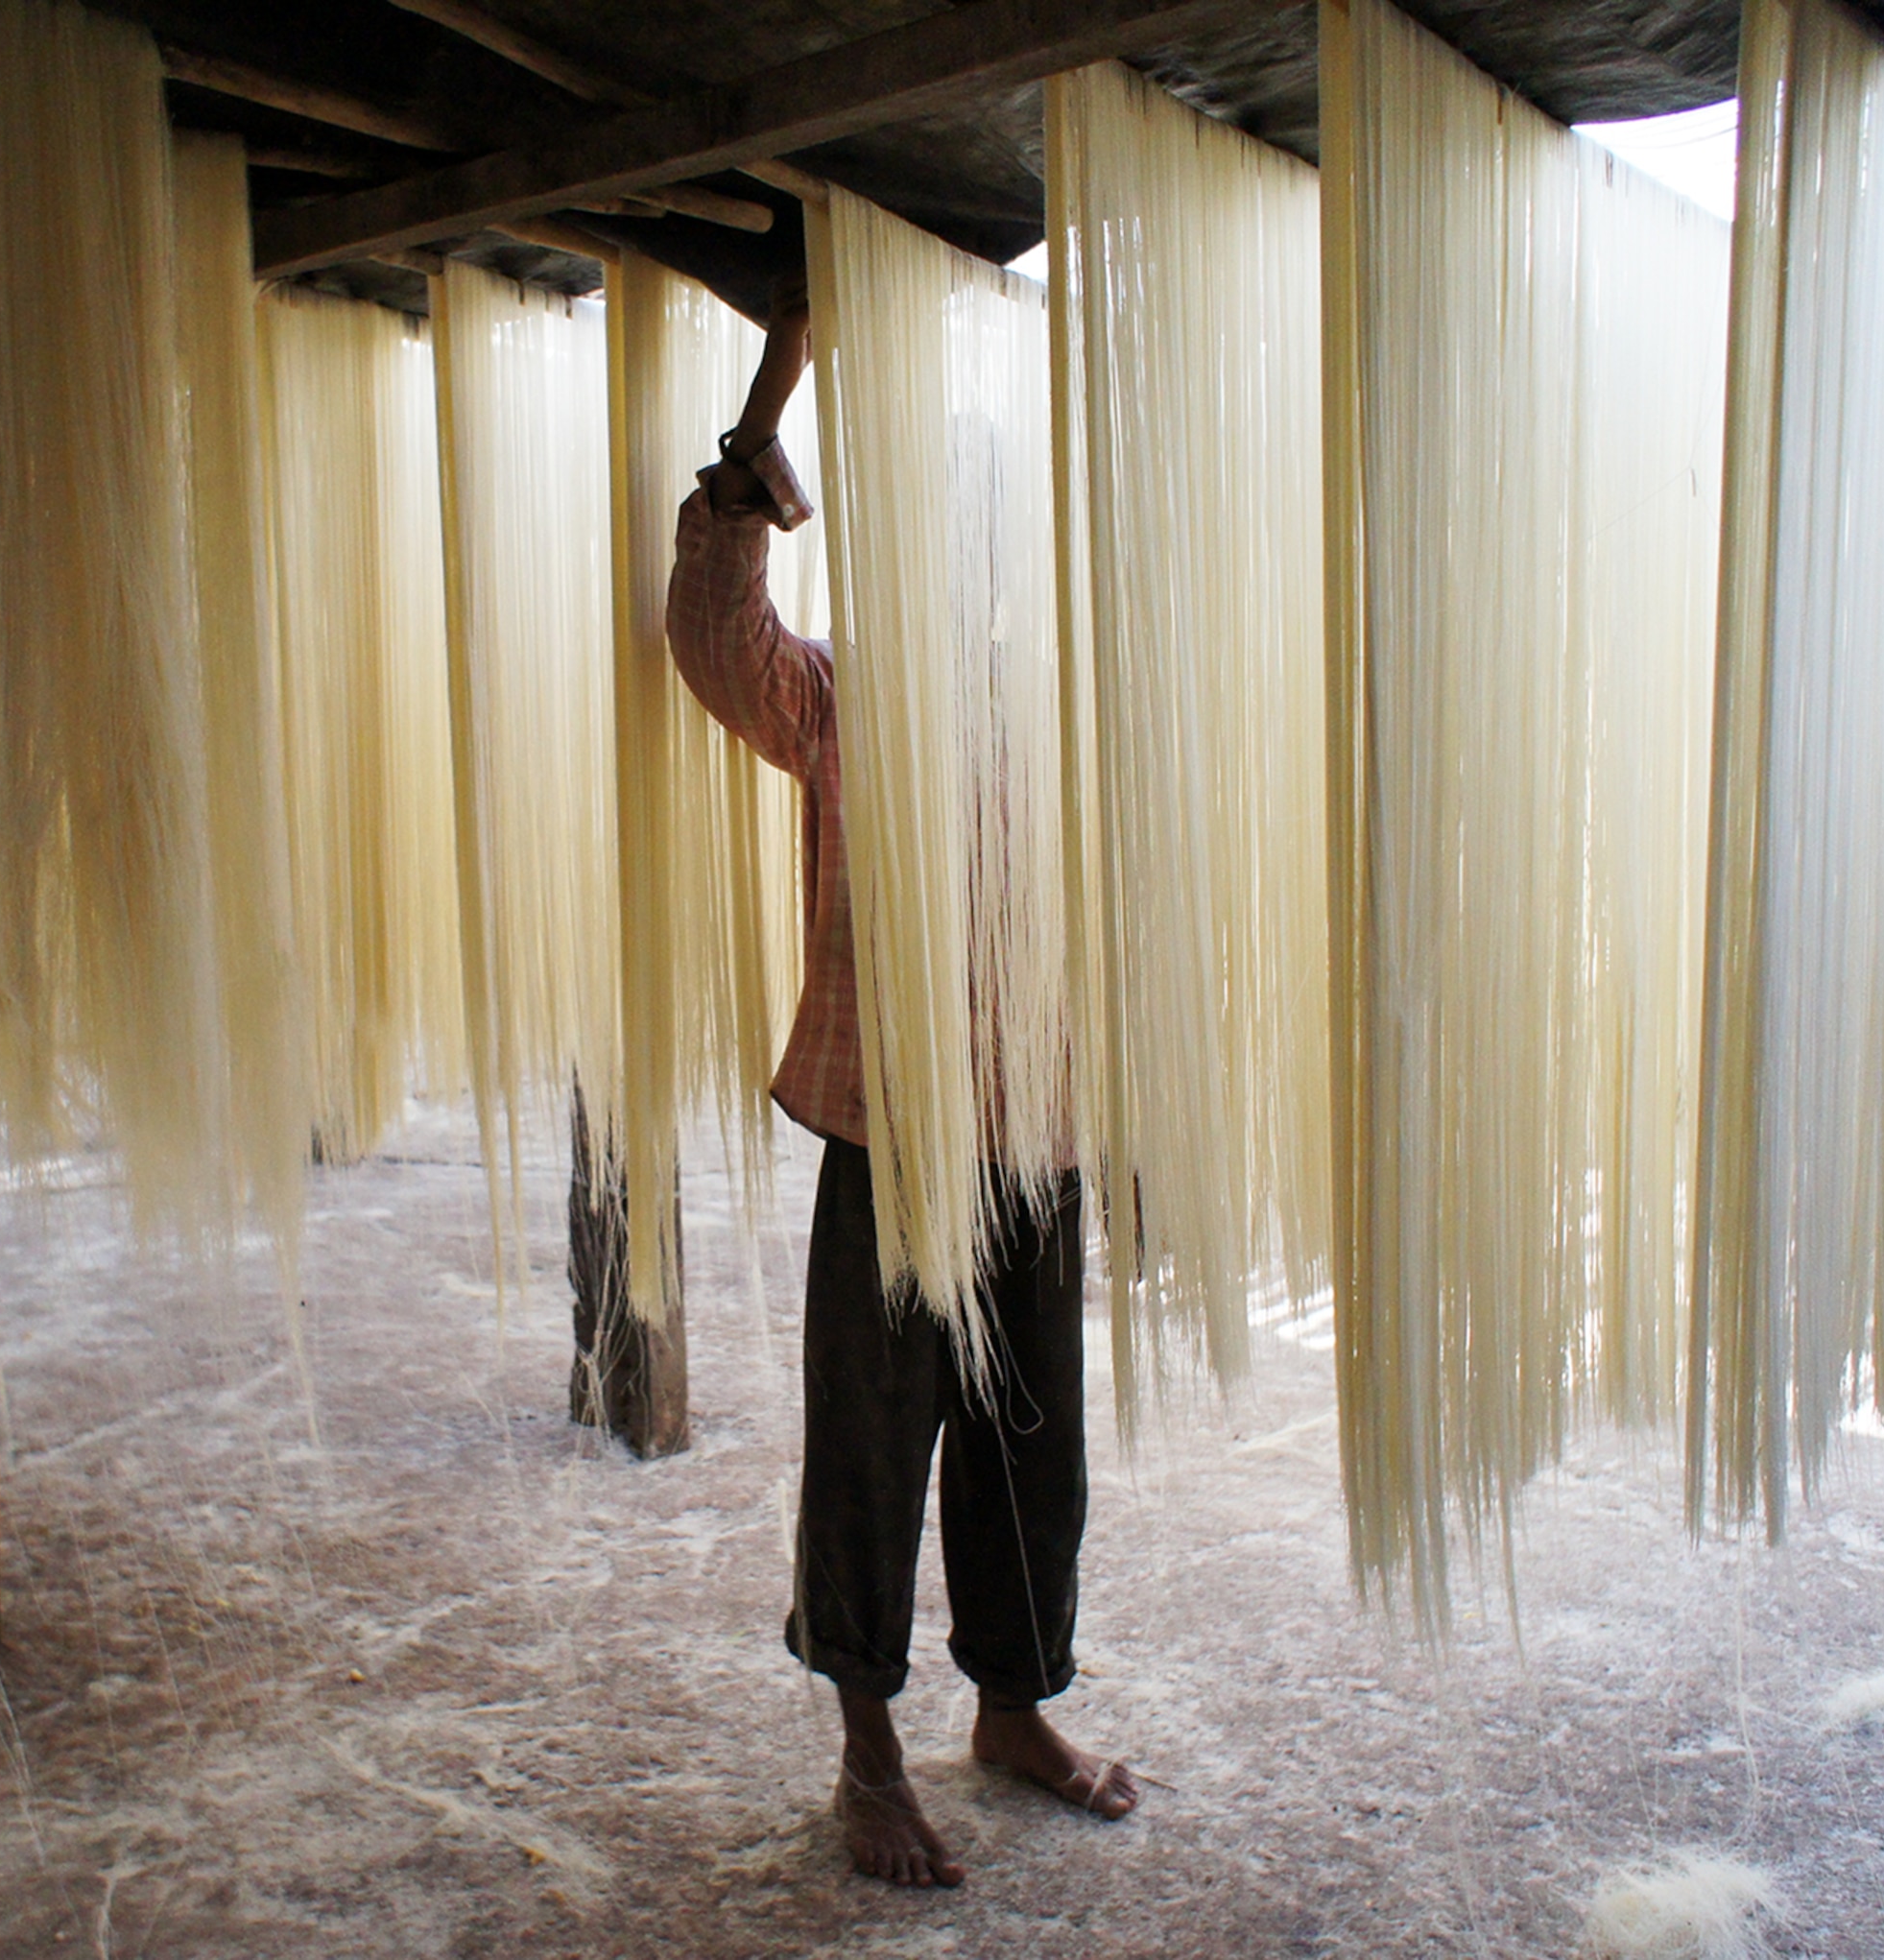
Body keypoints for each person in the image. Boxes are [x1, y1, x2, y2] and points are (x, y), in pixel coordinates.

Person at [665, 300, 1138, 1889]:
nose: (975, 565)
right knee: (871, 1447)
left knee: (1031, 1444)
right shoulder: (846, 694)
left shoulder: (1072, 724)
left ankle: (1012, 1707)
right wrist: (760, 423)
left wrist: (1118, 1135)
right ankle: (869, 1748)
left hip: (1037, 1145)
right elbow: (714, 641)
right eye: (951, 536)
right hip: (891, 1140)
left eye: (993, 537)